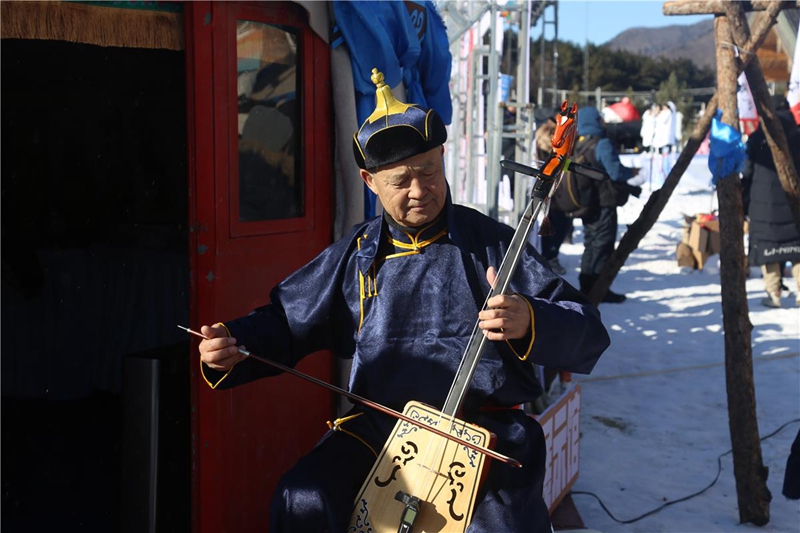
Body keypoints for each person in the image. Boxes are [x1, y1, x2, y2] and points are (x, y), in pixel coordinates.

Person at [198, 69, 610, 533]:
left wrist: (529, 319)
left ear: (443, 158)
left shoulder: (494, 245)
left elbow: (587, 328)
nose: (419, 190)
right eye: (400, 180)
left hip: (485, 432)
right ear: (369, 181)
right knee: (304, 498)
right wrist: (233, 342)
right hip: (380, 430)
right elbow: (286, 320)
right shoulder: (356, 256)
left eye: (428, 171)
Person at [573, 106, 639, 303]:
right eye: (600, 118)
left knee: (590, 244)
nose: (603, 122)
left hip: (586, 204)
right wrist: (633, 172)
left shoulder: (579, 143)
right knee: (603, 247)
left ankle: (586, 287)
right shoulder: (601, 144)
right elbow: (616, 172)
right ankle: (599, 290)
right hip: (603, 204)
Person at [741, 94, 800, 308]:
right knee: (797, 246)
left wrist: (744, 199)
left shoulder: (758, 137)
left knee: (768, 245)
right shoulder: (798, 135)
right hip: (795, 199)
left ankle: (774, 292)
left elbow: (747, 171)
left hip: (763, 202)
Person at [535, 116, 572, 275]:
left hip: (554, 192)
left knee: (555, 226)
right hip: (555, 194)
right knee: (557, 226)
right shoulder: (549, 143)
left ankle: (550, 255)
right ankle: (550, 256)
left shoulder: (544, 137)